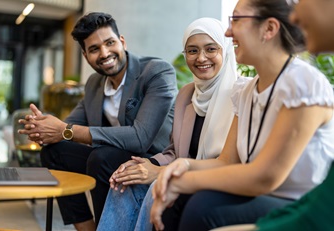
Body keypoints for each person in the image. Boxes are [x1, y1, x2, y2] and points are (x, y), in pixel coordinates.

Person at [150, 0, 334, 230]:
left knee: (202, 206)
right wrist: (181, 166)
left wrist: (183, 182)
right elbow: (226, 161)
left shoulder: (303, 85)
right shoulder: (245, 90)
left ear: (269, 28)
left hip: (300, 202)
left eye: (236, 20)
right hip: (262, 196)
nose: (228, 32)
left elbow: (264, 177)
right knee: (181, 199)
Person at [18, 12, 178, 230]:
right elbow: (69, 126)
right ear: (85, 55)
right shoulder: (94, 83)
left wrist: (65, 130)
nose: (104, 53)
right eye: (94, 49)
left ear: (122, 41)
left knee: (101, 158)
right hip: (109, 158)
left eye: (109, 43)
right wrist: (43, 129)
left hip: (151, 159)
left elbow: (140, 138)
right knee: (55, 152)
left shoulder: (156, 72)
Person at [96, 17, 237, 231]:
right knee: (126, 182)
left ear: (225, 51)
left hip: (214, 181)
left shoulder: (240, 95)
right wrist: (149, 164)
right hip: (179, 172)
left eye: (210, 49)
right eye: (192, 51)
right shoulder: (187, 94)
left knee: (158, 186)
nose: (201, 58)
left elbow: (229, 163)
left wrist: (161, 174)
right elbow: (173, 151)